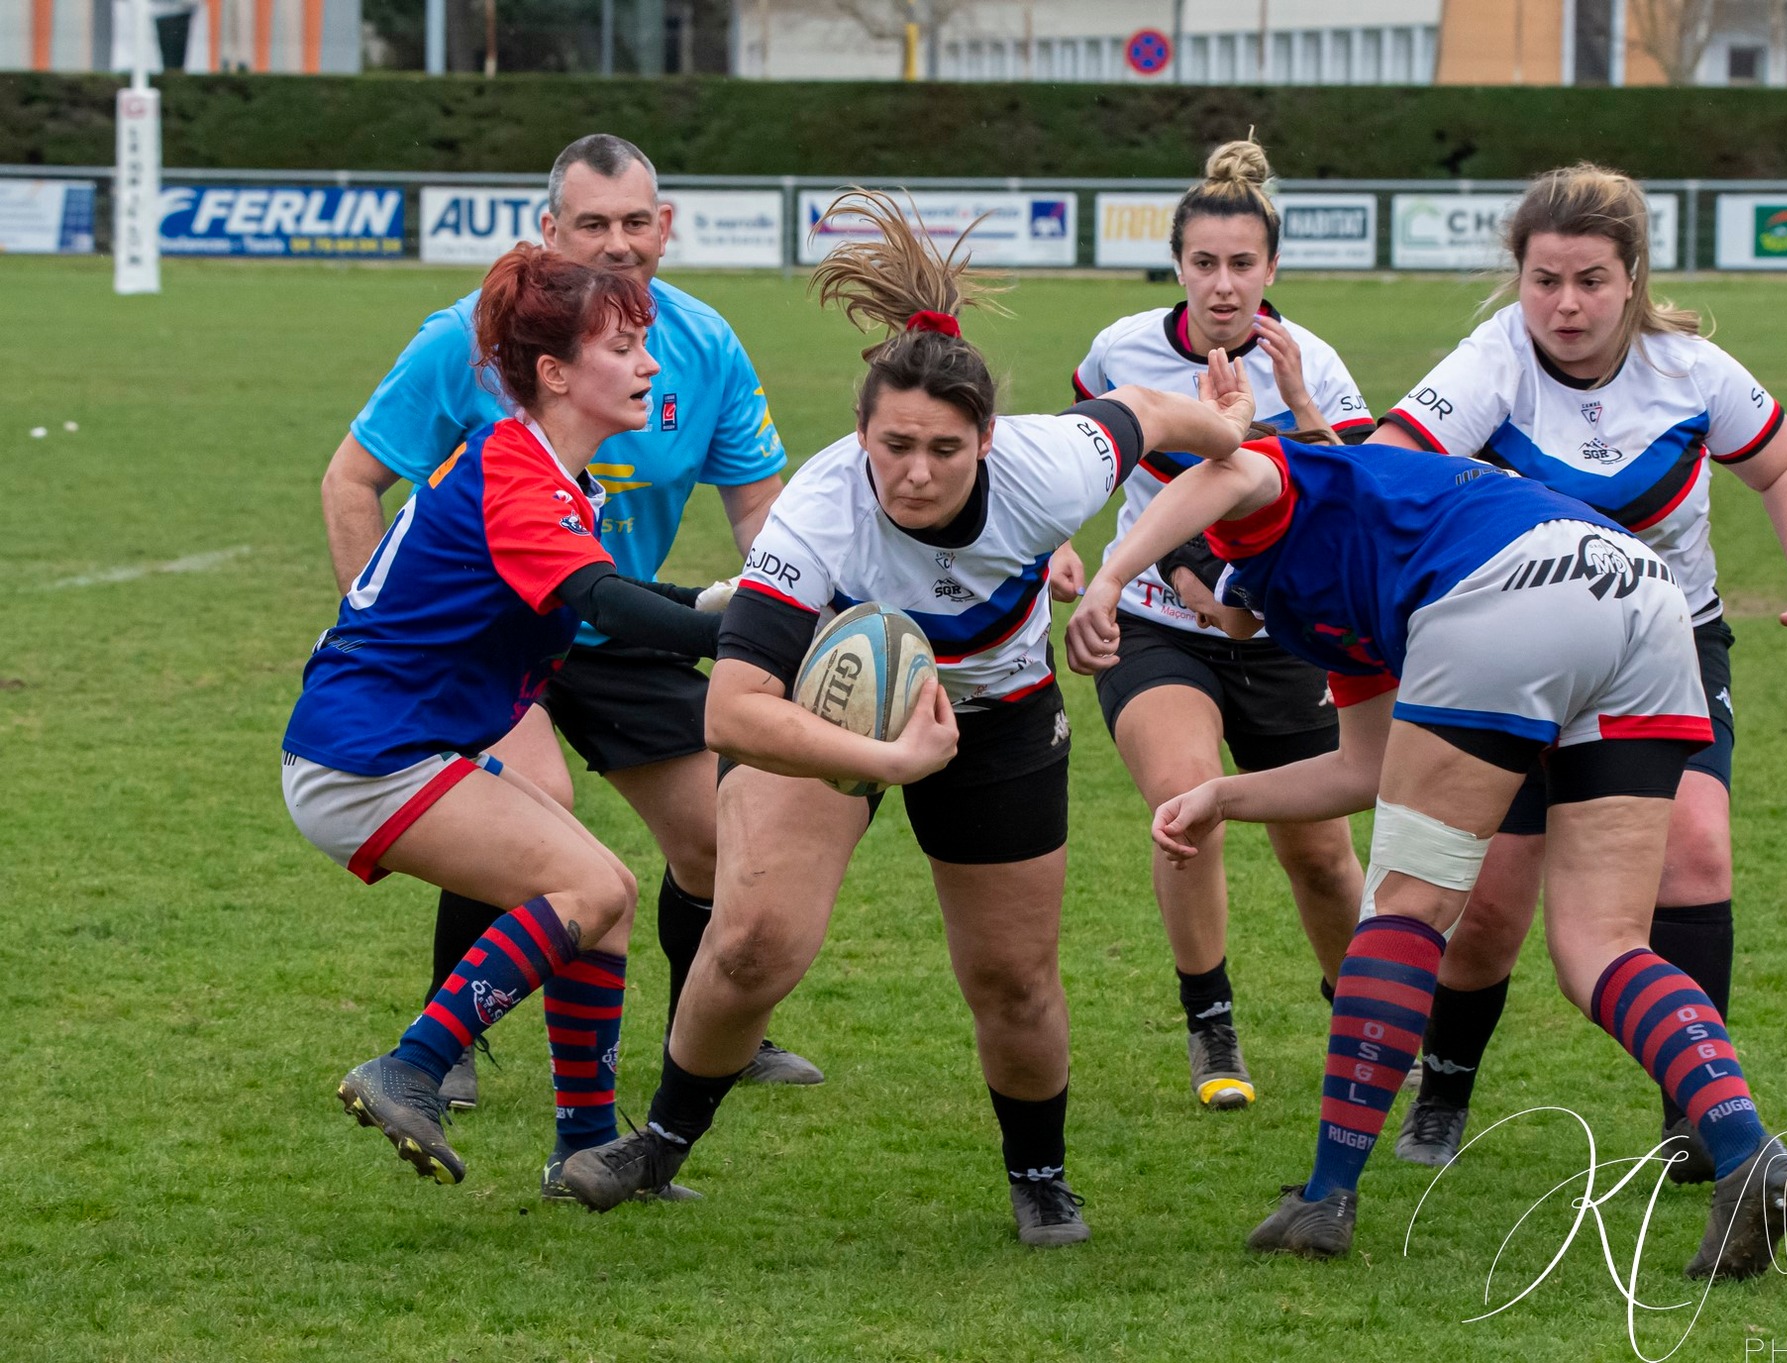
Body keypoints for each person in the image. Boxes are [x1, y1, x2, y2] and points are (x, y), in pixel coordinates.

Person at [555, 191, 1257, 1245]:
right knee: (751, 942)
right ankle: (657, 1143)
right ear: (859, 434)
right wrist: (885, 752)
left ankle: (1039, 1175)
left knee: (1011, 978)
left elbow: (1154, 417)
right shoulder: (818, 511)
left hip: (1003, 716)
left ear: (986, 437)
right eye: (893, 446)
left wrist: (1225, 429)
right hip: (834, 717)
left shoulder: (1052, 462)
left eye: (942, 447)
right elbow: (733, 709)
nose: (915, 472)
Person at [1066, 389, 1787, 1278]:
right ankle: (1748, 1151)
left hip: (1507, 586)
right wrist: (1225, 794)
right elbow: (1366, 767)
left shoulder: (1276, 496)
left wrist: (1111, 579)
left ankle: (1326, 1194)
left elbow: (1228, 465)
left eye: (1197, 588)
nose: (1214, 614)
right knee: (1600, 945)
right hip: (1640, 593)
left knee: (1407, 909)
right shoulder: (1346, 590)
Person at [1366, 164, 1787, 1173]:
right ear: (1518, 276)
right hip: (1512, 660)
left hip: (1665, 649)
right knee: (1486, 914)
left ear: (1631, 277)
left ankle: (1692, 1112)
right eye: (1545, 279)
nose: (1564, 303)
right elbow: (1394, 459)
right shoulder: (1492, 361)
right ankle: (1445, 1081)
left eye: (1590, 281)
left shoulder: (1689, 370)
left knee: (1695, 853)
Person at [320, 133, 821, 1116]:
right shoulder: (466, 340)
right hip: (501, 638)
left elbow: (762, 511)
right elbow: (350, 480)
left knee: (714, 841)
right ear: (549, 231)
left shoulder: (704, 344)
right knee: (530, 796)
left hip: (620, 623)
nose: (617, 242)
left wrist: (774, 611)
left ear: (665, 228)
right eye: (592, 223)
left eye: (636, 221)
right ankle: (448, 1040)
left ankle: (707, 1025)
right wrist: (382, 635)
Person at [287, 246, 741, 1190]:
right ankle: (410, 1065)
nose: (650, 364)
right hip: (368, 755)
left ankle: (585, 1151)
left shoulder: (540, 472)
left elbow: (610, 595)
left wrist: (713, 604)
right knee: (583, 891)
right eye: (625, 346)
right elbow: (608, 606)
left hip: (388, 741)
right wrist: (743, 630)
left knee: (605, 893)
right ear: (556, 373)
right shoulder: (518, 475)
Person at [1065, 137, 1368, 1112]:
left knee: (1318, 853)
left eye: (1242, 264)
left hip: (1282, 638)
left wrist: (1310, 409)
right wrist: (1084, 561)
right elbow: (1094, 465)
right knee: (1186, 808)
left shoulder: (1307, 358)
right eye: (1204, 263)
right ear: (1178, 265)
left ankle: (1363, 1017)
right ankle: (1211, 1026)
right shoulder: (1120, 350)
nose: (1223, 284)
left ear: (1270, 269)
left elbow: (1358, 497)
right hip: (1155, 624)